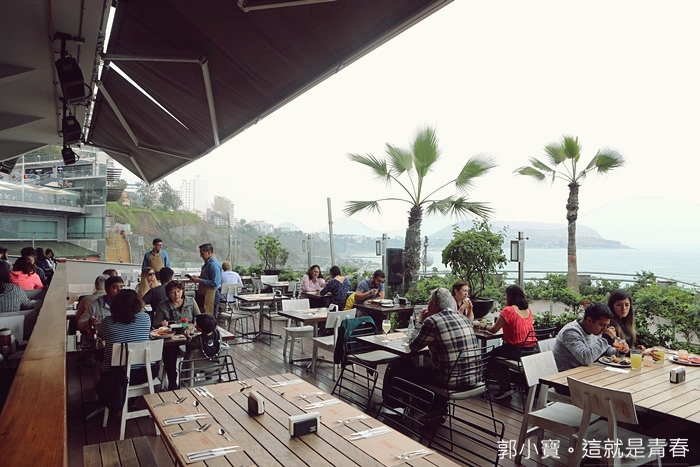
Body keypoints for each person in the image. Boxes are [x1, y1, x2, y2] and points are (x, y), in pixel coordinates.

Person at [384, 288, 479, 414]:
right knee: (425, 369)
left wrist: (420, 322)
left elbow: (413, 346)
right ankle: (434, 408)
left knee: (402, 372)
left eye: (429, 302)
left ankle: (396, 406)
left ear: (433, 304)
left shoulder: (432, 321)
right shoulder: (464, 319)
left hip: (450, 380)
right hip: (474, 377)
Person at [485, 284, 536, 400]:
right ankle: (505, 385)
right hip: (531, 350)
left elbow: (494, 330)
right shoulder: (528, 310)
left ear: (510, 296)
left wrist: (483, 327)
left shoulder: (508, 310)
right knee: (498, 354)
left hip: (517, 350)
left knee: (490, 356)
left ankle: (505, 387)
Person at [98, 289, 159, 382]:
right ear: (137, 303)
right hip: (147, 372)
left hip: (116, 376)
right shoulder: (145, 318)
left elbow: (101, 336)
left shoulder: (107, 322)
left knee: (101, 358)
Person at [552, 302, 629, 373]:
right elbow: (585, 359)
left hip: (588, 373)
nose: (605, 329)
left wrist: (620, 351)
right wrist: (606, 338)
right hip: (566, 378)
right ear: (589, 321)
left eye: (607, 325)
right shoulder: (570, 332)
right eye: (602, 325)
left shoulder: (595, 330)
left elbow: (605, 350)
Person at [153, 280, 201, 390]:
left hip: (189, 334)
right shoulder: (163, 306)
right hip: (171, 337)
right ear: (168, 294)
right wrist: (162, 325)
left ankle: (190, 376)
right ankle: (172, 380)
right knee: (169, 352)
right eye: (173, 292)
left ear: (183, 291)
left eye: (178, 291)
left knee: (197, 346)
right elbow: (155, 324)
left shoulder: (191, 301)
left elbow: (199, 317)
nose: (176, 295)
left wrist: (193, 326)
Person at [191, 243, 222, 318]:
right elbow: (207, 277)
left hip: (212, 294)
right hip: (205, 293)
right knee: (204, 316)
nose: (200, 255)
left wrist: (199, 280)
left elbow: (215, 283)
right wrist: (198, 278)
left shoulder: (213, 264)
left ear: (208, 252)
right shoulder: (208, 263)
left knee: (211, 317)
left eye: (202, 253)